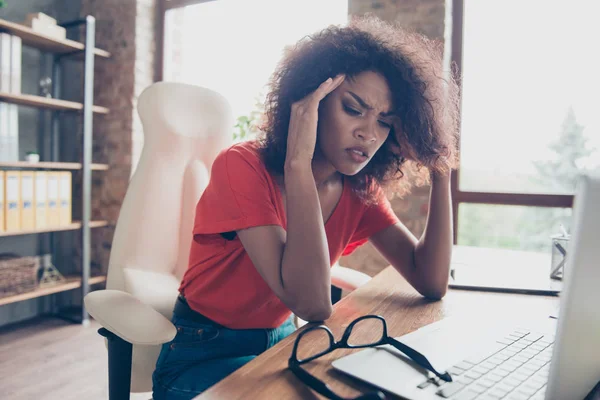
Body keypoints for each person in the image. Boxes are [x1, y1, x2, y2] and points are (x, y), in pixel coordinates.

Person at [152, 15, 460, 400]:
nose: (369, 133)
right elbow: (313, 303)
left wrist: (439, 169)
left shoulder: (359, 189)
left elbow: (430, 281)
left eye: (384, 121)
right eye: (353, 109)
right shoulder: (242, 167)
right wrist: (298, 163)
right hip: (203, 353)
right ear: (308, 105)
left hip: (283, 345)